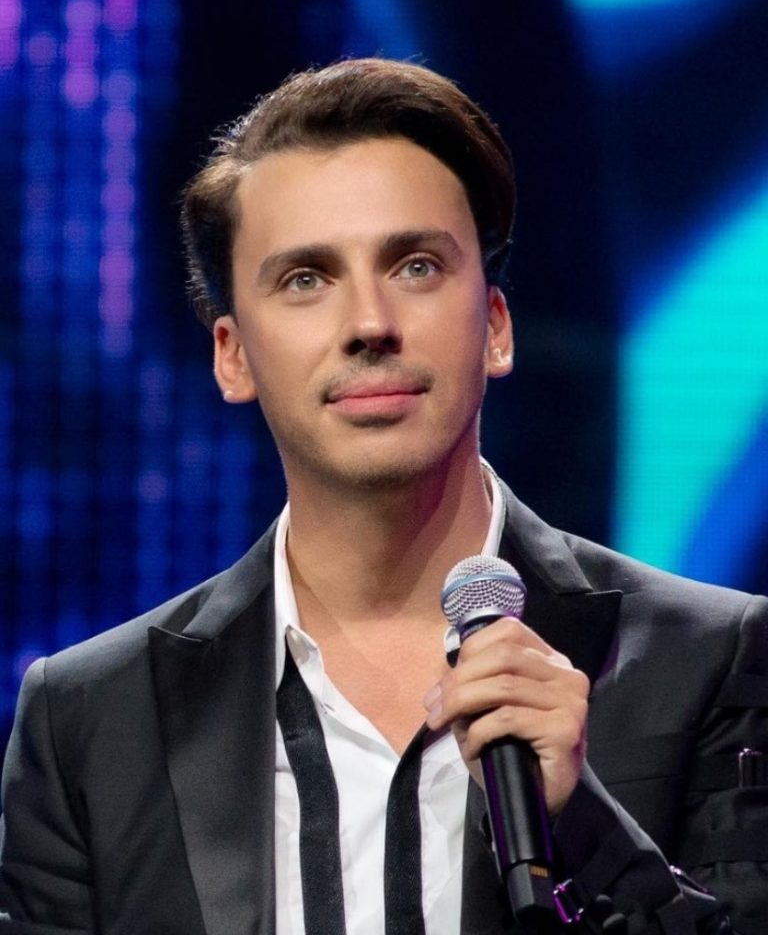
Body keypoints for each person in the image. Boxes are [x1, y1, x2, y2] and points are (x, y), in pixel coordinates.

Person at [0, 58, 766, 935]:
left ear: (495, 326)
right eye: (306, 279)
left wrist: (585, 827)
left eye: (415, 266)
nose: (369, 323)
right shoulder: (90, 721)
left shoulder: (710, 660)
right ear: (233, 356)